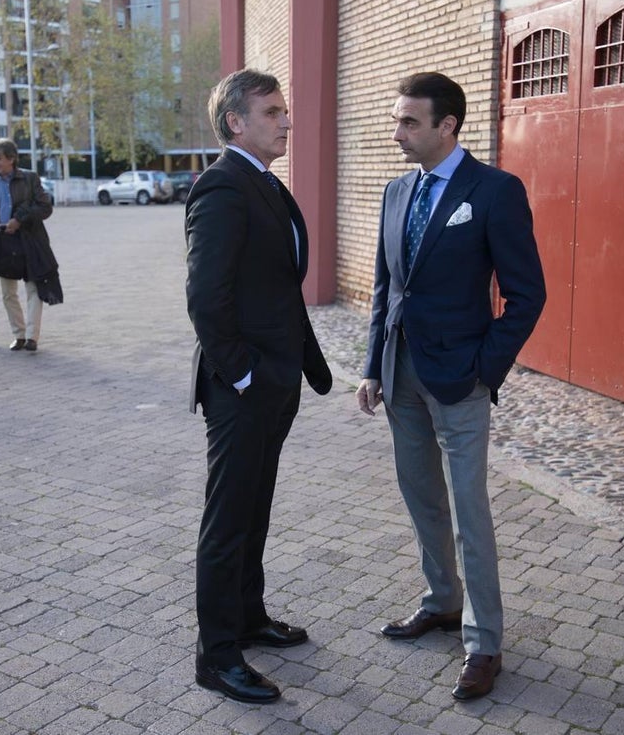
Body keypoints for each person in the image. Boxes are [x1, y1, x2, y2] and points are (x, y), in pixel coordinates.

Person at [355, 72, 546, 701]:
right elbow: (386, 287)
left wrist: (485, 369)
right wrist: (372, 366)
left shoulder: (494, 191)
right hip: (401, 375)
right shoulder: (395, 191)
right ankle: (441, 601)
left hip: (460, 378)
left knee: (469, 512)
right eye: (397, 120)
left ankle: (484, 641)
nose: (398, 133)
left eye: (409, 122)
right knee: (421, 499)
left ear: (447, 126)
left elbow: (527, 295)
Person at [185, 68, 333, 704]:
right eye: (272, 112)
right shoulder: (222, 186)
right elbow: (205, 296)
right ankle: (217, 656)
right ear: (235, 122)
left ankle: (248, 617)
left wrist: (290, 368)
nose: (286, 121)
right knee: (228, 519)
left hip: (275, 380)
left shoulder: (263, 182)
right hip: (242, 387)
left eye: (284, 110)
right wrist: (244, 374)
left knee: (255, 506)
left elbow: (277, 287)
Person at [0, 138, 56, 352]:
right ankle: (18, 335)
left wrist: (19, 220)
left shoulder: (30, 179)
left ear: (11, 158)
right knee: (8, 292)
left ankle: (31, 337)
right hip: (3, 243)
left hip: (30, 241)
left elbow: (45, 207)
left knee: (33, 288)